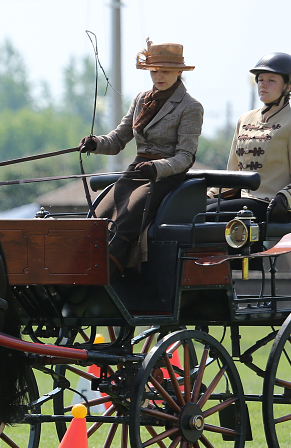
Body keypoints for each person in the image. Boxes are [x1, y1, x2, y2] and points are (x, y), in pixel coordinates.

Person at [78, 39, 203, 274]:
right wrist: (94, 143)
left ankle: (107, 276)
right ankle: (80, 270)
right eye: (154, 71)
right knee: (97, 219)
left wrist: (157, 168)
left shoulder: (190, 107)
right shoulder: (141, 99)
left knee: (124, 220)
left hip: (167, 176)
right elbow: (117, 140)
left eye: (165, 71)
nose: (159, 76)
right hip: (137, 170)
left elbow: (185, 157)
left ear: (179, 72)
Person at [206, 52, 291, 224]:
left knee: (207, 213)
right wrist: (208, 194)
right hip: (240, 200)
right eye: (260, 79)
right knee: (191, 208)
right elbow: (232, 173)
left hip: (270, 204)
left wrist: (285, 197)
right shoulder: (245, 119)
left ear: (288, 86)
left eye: (271, 80)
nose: (263, 85)